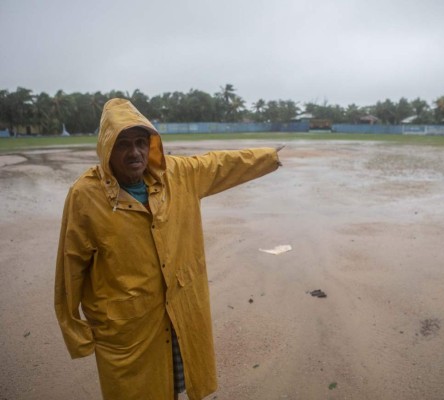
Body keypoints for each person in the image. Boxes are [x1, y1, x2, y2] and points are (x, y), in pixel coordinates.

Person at [54, 98, 282, 400]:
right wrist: (75, 331)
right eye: (123, 144)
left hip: (178, 312)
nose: (134, 152)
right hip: (127, 329)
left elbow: (219, 163)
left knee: (173, 385)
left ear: (152, 145)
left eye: (140, 142)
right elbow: (70, 267)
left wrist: (267, 157)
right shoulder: (85, 195)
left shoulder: (177, 175)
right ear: (108, 148)